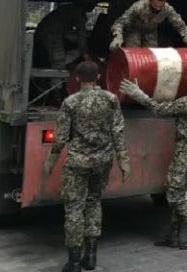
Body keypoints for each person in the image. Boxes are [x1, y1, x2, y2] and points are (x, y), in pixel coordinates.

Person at [43, 60, 130, 272]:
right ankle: (91, 256)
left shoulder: (70, 102)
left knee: (74, 207)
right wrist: (124, 161)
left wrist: (51, 162)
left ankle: (74, 261)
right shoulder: (111, 99)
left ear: (77, 78)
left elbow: (61, 137)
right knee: (94, 202)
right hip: (103, 161)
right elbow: (117, 131)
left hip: (78, 162)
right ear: (98, 77)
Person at [119, 69, 187, 250]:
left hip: (184, 153)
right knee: (178, 192)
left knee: (174, 195)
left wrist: (138, 94)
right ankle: (174, 235)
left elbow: (159, 109)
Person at [110, 0, 187, 51]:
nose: (157, 9)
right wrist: (117, 37)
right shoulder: (139, 6)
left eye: (160, 7)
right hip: (134, 31)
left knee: (151, 56)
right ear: (150, 0)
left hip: (150, 32)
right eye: (155, 6)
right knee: (133, 54)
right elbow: (120, 22)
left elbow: (181, 26)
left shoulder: (168, 9)